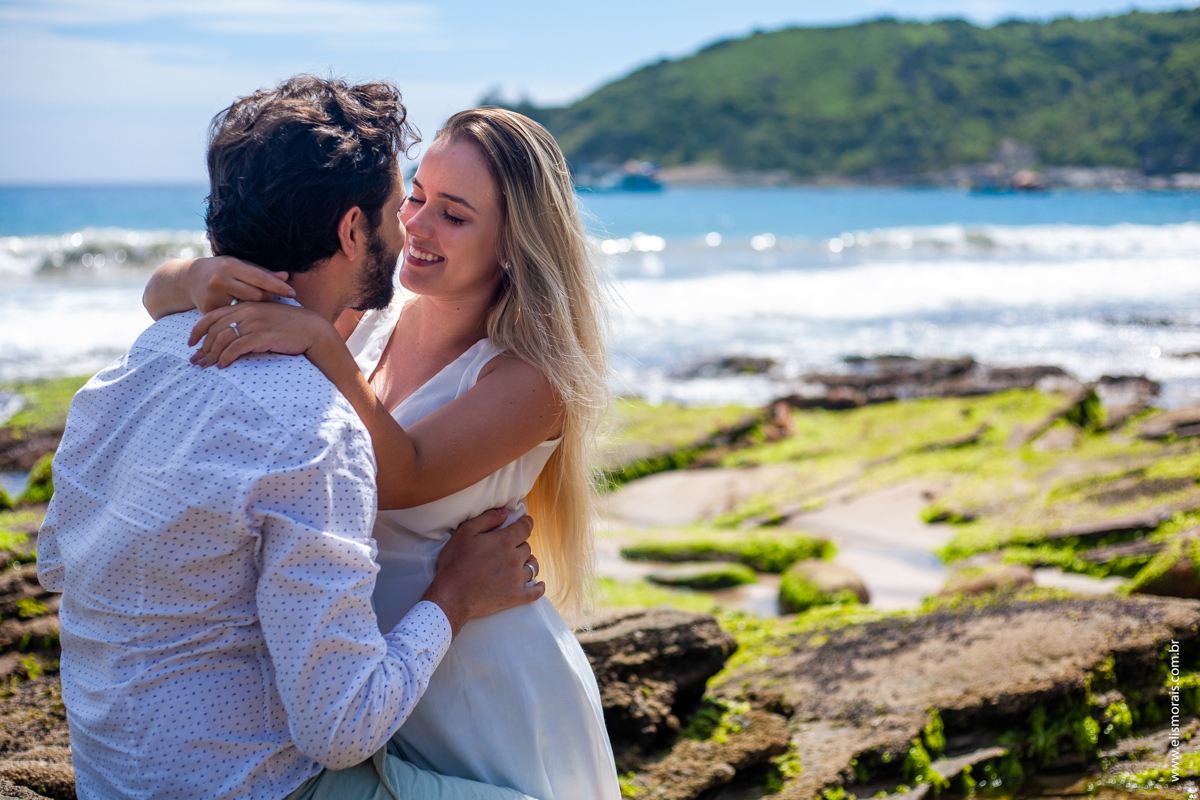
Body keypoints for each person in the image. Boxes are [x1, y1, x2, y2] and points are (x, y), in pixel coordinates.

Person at [39, 76, 544, 800]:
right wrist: (454, 595)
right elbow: (340, 730)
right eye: (402, 203)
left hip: (111, 774)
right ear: (349, 232)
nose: (409, 226)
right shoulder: (313, 430)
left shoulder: (137, 364)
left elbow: (57, 559)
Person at [143, 106, 622, 799]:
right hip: (373, 674)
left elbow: (402, 475)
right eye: (417, 197)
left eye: (454, 216)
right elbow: (161, 297)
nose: (416, 226)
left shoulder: (532, 375)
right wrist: (197, 278)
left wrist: (322, 346)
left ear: (515, 242)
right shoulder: (368, 310)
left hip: (482, 690)